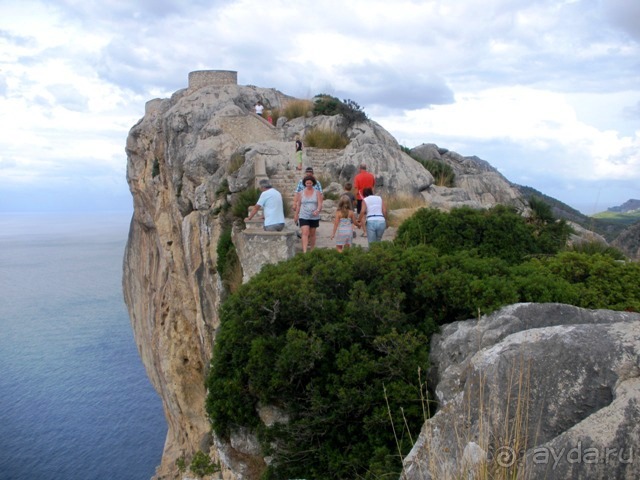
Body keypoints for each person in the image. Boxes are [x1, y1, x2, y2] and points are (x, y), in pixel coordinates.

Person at [293, 175, 323, 253]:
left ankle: (312, 250)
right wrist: (296, 215)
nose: (309, 185)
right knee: (305, 232)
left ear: (313, 183)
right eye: (307, 183)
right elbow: (298, 204)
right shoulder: (301, 193)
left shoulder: (317, 192)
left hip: (314, 216)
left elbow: (320, 203)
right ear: (304, 184)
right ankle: (305, 251)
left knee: (312, 234)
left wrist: (318, 210)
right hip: (304, 215)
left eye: (310, 183)